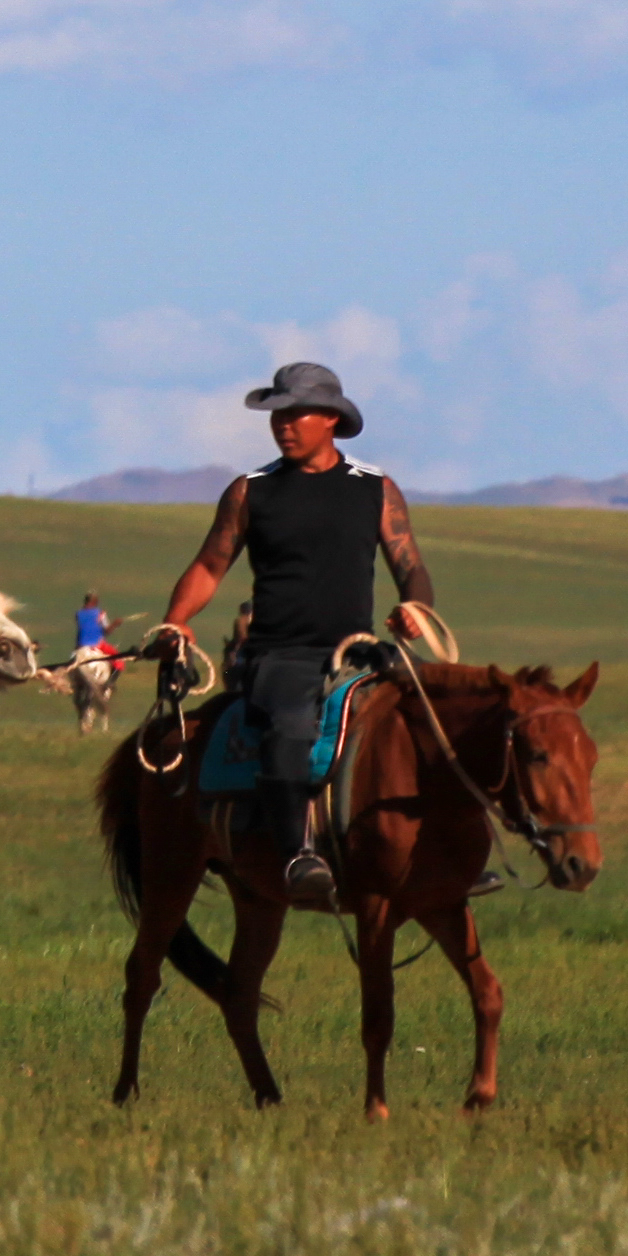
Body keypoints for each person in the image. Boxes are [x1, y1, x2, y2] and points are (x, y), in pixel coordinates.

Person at [145, 359, 449, 911]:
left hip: (358, 652)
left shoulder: (375, 489)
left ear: (330, 418)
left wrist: (416, 608)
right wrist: (178, 619)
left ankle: (448, 858)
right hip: (279, 655)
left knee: (441, 714)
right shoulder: (251, 491)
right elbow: (209, 566)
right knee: (288, 726)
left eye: (295, 413)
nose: (282, 424)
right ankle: (296, 856)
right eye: (276, 414)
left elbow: (411, 566)